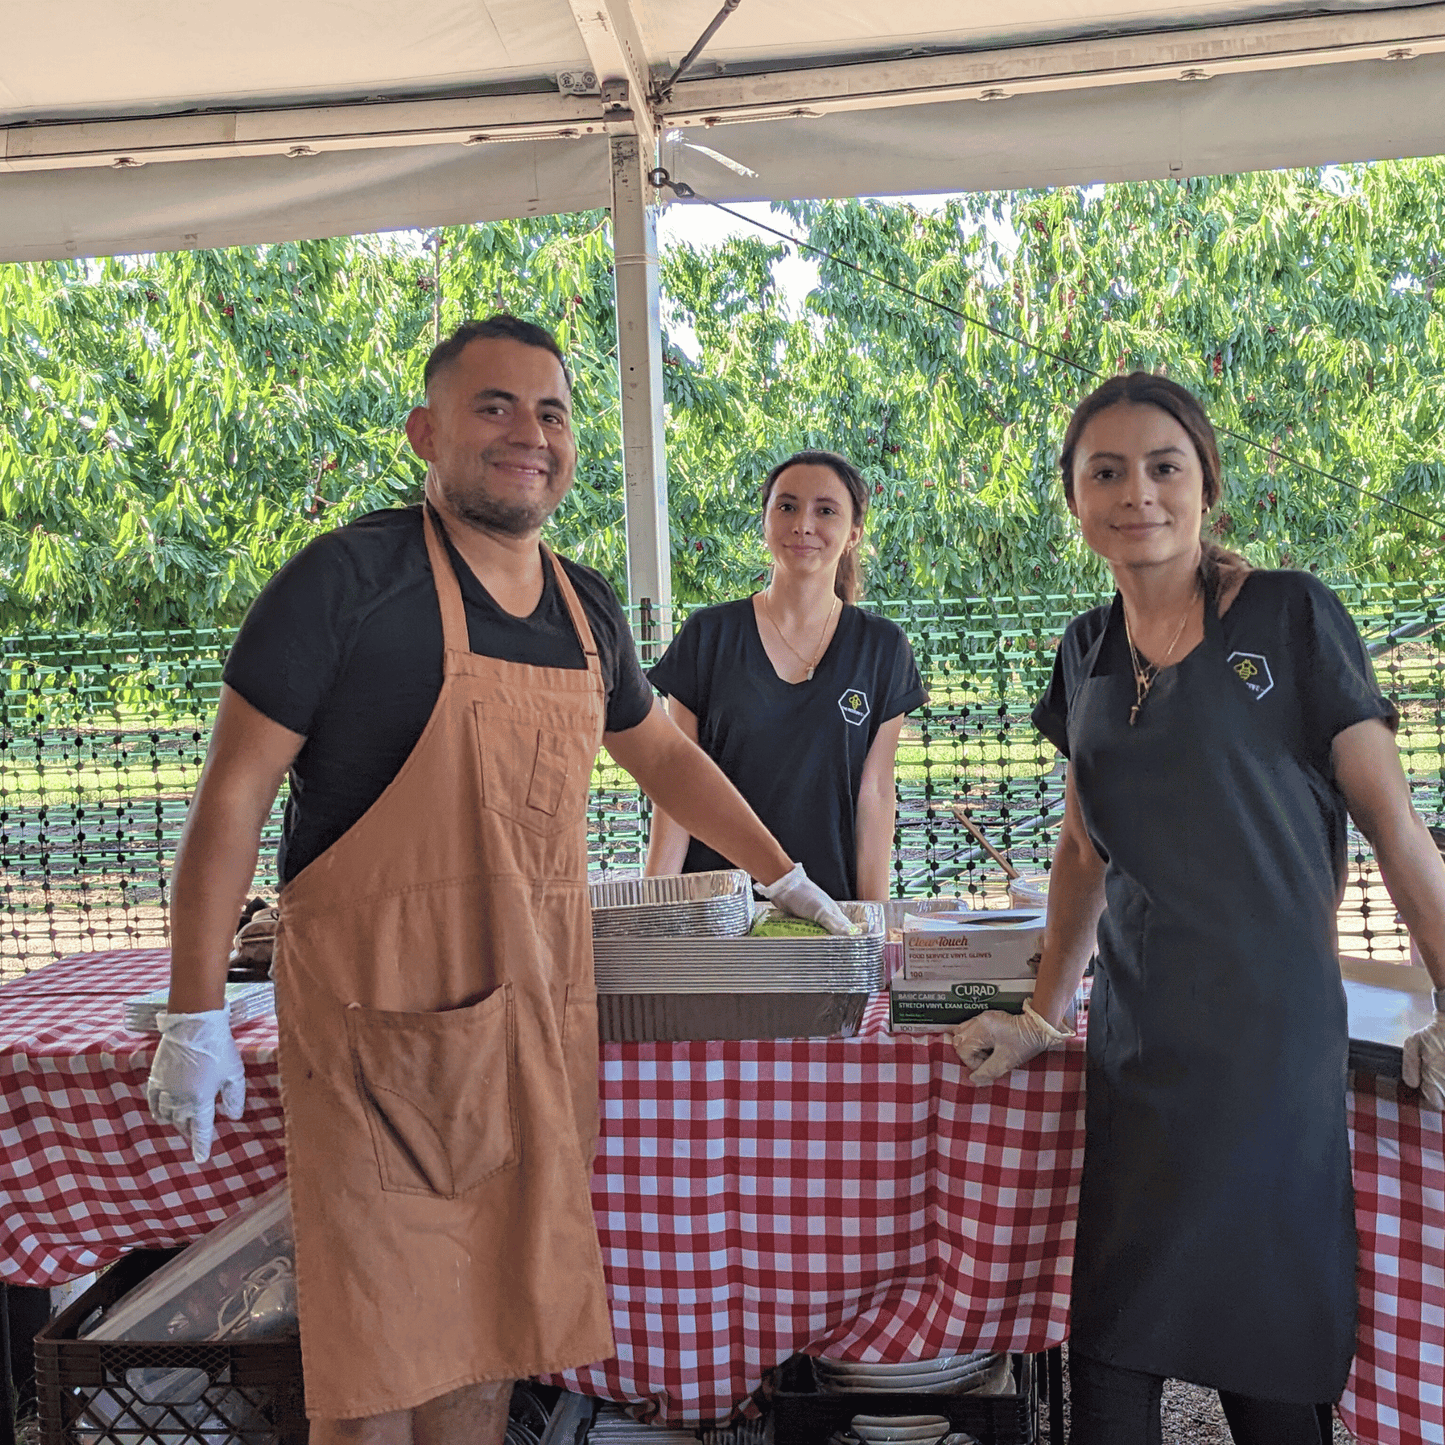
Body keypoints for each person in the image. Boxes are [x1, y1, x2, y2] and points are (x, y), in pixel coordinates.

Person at [144, 316, 853, 1445]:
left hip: (528, 1038)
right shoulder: (345, 581)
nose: (530, 432)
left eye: (552, 410)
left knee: (489, 1350)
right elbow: (230, 794)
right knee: (375, 1370)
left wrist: (783, 873)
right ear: (426, 430)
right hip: (379, 1044)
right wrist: (193, 1013)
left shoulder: (584, 609)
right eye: (495, 406)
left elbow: (661, 753)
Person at [950, 372, 1445, 1445]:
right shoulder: (1082, 649)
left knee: (1267, 1355)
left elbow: (1395, 830)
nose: (1138, 493)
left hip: (1268, 1054)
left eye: (1162, 466)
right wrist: (1042, 1017)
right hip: (1136, 1049)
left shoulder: (1291, 614)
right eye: (1105, 471)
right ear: (1073, 500)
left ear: (1205, 484)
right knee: (1113, 1348)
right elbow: (1082, 847)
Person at [644, 450, 927, 900]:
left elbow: (874, 795)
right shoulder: (709, 636)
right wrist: (653, 906)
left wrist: (873, 925)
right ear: (765, 521)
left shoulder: (881, 648)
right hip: (718, 916)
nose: (803, 525)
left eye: (826, 510)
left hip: (830, 918)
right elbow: (677, 783)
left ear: (853, 534)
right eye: (787, 506)